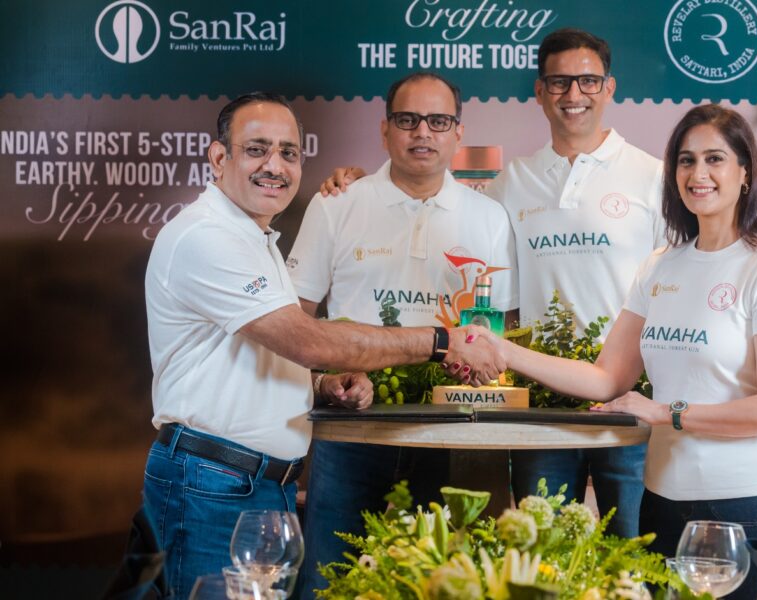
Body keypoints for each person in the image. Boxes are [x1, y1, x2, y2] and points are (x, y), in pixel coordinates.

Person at [142, 92, 502, 598]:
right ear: (219, 157)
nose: (275, 166)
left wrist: (321, 386)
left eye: (289, 152)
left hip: (256, 484)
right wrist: (442, 342)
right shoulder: (206, 236)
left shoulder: (255, 238)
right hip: (212, 484)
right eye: (257, 150)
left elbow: (259, 352)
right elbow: (306, 339)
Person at [319, 29, 664, 538]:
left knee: (636, 554)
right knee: (542, 557)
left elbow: (676, 290)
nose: (573, 94)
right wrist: (354, 183)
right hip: (540, 407)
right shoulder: (510, 184)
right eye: (559, 82)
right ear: (540, 91)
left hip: (628, 403)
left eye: (588, 81)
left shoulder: (655, 178)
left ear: (609, 88)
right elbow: (420, 186)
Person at [490, 104, 757, 600]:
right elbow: (607, 377)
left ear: (745, 171)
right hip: (665, 504)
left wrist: (667, 413)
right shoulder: (661, 266)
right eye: (686, 160)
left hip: (754, 505)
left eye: (714, 159)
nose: (698, 174)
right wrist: (503, 351)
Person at [287, 72, 517, 598]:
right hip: (350, 428)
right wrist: (324, 380)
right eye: (408, 119)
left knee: (446, 586)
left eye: (438, 121)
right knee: (328, 583)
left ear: (458, 133)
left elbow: (498, 335)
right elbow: (295, 321)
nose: (423, 133)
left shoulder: (489, 217)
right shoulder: (338, 202)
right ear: (385, 129)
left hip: (454, 431)